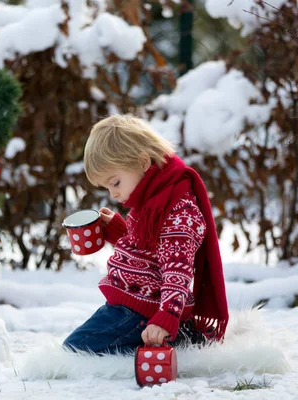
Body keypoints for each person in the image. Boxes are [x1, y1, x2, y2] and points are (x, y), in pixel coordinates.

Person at [62, 114, 229, 355]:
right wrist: (119, 232)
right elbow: (151, 249)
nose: (113, 195)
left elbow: (177, 269)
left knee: (73, 350)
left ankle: (169, 336)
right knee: (79, 347)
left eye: (116, 182)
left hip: (142, 311)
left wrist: (166, 317)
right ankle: (178, 338)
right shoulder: (154, 196)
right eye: (107, 187)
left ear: (142, 162)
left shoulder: (177, 209)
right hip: (130, 305)